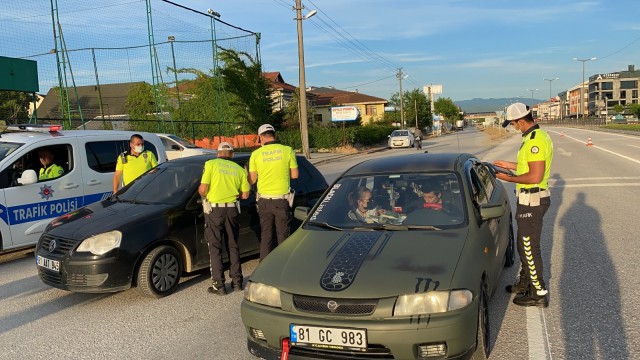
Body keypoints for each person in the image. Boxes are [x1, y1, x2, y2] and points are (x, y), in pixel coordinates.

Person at [493, 102, 553, 308]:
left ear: (520, 121)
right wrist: (508, 165)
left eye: (513, 123)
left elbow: (535, 175)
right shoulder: (532, 137)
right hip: (528, 199)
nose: (513, 127)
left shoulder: (535, 140)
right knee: (523, 244)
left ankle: (538, 293)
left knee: (529, 247)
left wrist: (507, 179)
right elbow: (528, 166)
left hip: (533, 200)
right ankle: (526, 282)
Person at [198, 142, 250, 295]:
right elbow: (246, 195)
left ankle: (219, 285)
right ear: (232, 154)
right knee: (233, 245)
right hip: (232, 209)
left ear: (217, 153)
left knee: (215, 246)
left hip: (215, 210)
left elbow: (202, 189)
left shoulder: (211, 164)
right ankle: (237, 282)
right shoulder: (239, 169)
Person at [249, 124, 298, 261]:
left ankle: (263, 269)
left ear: (260, 138)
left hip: (264, 201)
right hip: (281, 201)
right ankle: (283, 268)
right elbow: (295, 175)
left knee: (266, 236)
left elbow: (252, 180)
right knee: (283, 236)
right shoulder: (287, 150)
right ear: (274, 134)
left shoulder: (255, 154)